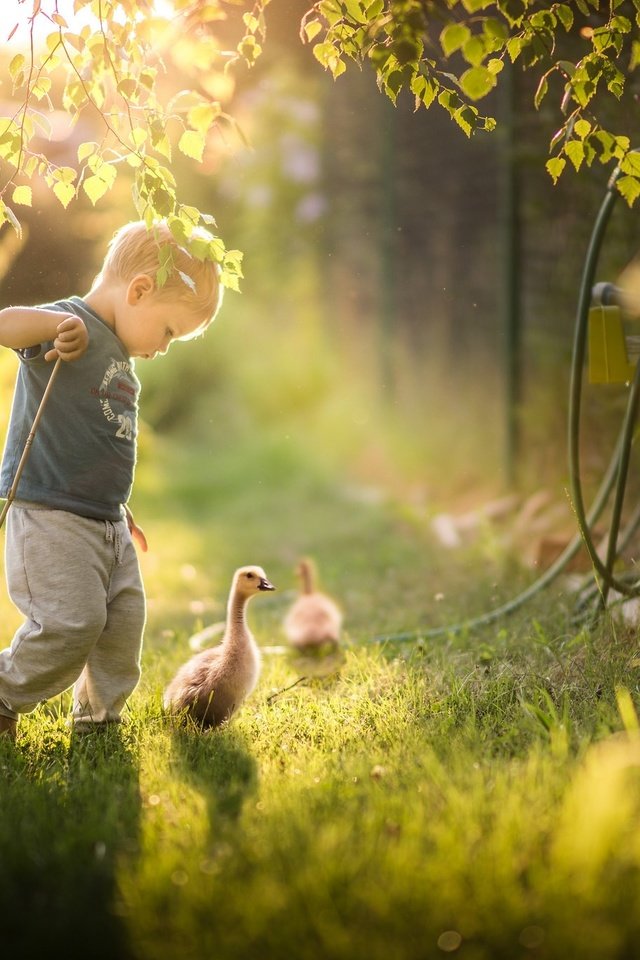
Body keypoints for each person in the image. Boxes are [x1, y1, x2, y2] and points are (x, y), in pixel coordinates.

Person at [0, 220, 223, 739]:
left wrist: (119, 505)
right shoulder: (69, 323)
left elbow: (100, 440)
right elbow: (6, 322)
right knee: (70, 623)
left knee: (122, 628)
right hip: (50, 513)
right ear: (140, 290)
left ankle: (98, 722)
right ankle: (5, 693)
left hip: (105, 521)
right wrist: (51, 328)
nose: (165, 347)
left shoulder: (121, 359)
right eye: (169, 331)